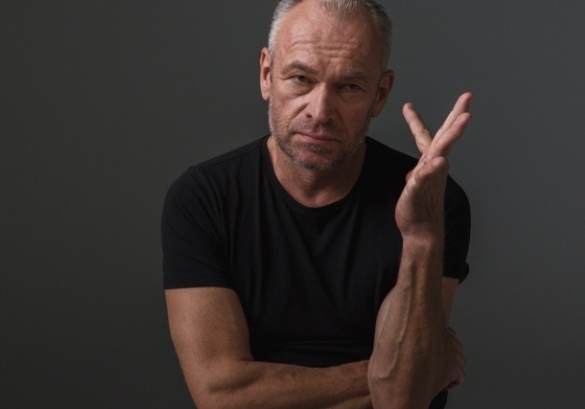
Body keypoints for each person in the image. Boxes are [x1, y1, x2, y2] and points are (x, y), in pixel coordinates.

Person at [162, 0, 473, 408]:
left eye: (349, 87)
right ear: (267, 75)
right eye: (301, 79)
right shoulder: (203, 198)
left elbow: (403, 398)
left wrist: (420, 237)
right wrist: (407, 370)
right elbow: (222, 396)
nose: (321, 111)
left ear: (380, 95)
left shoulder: (433, 202)